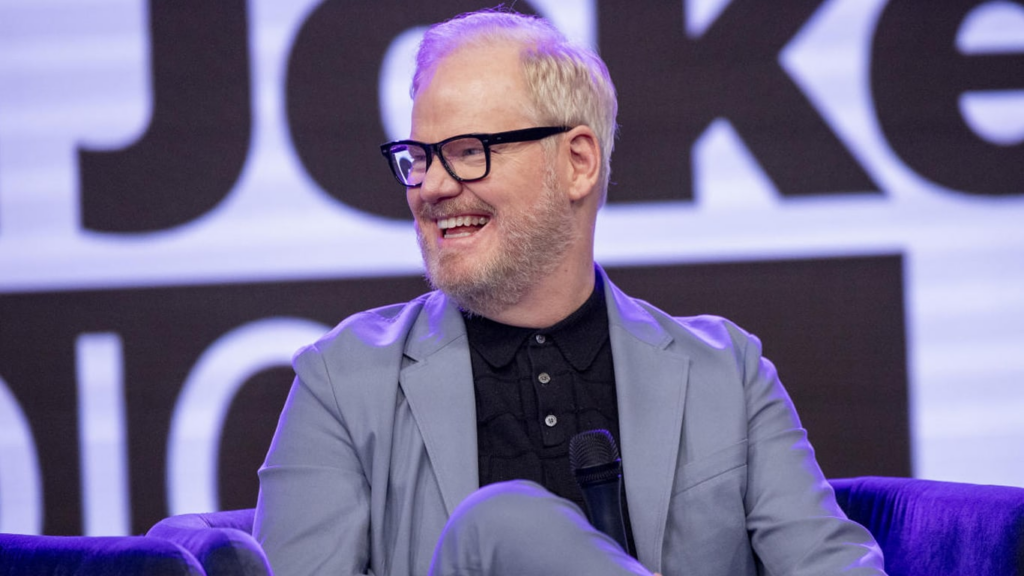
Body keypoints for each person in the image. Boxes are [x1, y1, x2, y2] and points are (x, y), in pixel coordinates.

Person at [254, 9, 887, 576]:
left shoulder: (726, 371)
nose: (431, 187)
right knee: (498, 523)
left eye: (468, 151)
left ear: (578, 162)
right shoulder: (342, 382)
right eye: (418, 157)